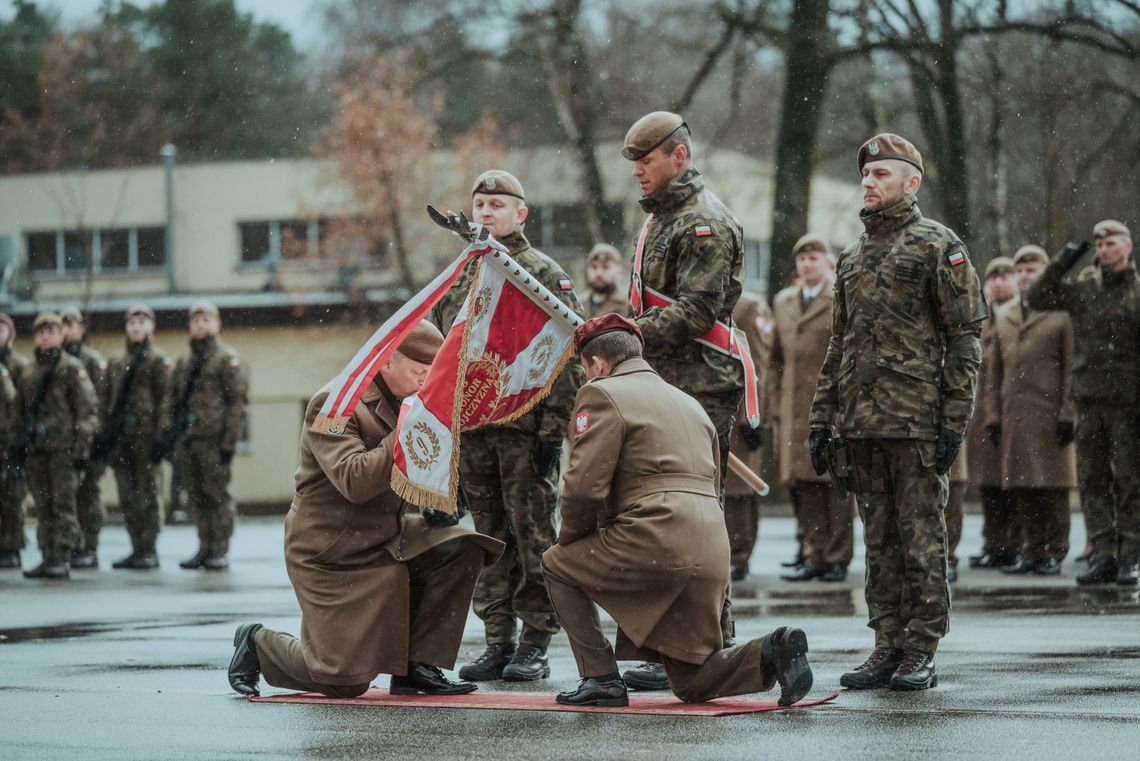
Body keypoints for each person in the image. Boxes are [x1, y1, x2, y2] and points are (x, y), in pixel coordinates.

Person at [542, 313, 813, 706]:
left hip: (655, 538)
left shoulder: (601, 393)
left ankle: (600, 678)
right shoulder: (690, 402)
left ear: (597, 363)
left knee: (556, 564)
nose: (588, 377)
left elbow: (583, 488)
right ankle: (771, 650)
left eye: (586, 369)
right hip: (712, 545)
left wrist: (573, 543)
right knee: (691, 683)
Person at [227, 321, 504, 698]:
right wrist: (410, 427)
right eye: (419, 371)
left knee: (464, 544)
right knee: (341, 682)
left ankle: (417, 667)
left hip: (387, 536)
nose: (427, 380)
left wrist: (435, 499)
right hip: (332, 552)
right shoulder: (335, 403)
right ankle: (259, 643)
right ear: (387, 360)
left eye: (432, 371)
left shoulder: (409, 398)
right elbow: (354, 481)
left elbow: (423, 464)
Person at [810, 133, 985, 691]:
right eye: (865, 175)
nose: (868, 182)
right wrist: (821, 418)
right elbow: (839, 345)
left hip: (916, 421)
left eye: (881, 175)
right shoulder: (853, 256)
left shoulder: (938, 245)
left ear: (911, 183)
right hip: (861, 424)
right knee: (879, 542)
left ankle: (921, 649)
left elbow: (965, 339)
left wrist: (954, 421)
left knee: (922, 539)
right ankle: (886, 644)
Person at [430, 170, 584, 683]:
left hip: (525, 432)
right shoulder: (462, 271)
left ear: (521, 214)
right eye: (479, 205)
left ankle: (536, 642)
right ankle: (498, 639)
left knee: (534, 537)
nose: (486, 212)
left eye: (498, 204)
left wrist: (552, 430)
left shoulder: (539, 271)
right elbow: (443, 355)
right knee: (488, 538)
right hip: (475, 432)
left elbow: (568, 354)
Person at [621, 111, 747, 689]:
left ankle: (711, 644)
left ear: (679, 156)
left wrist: (626, 334)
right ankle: (662, 646)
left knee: (698, 521)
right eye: (636, 164)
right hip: (662, 382)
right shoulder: (659, 223)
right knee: (655, 517)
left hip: (700, 387)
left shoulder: (704, 224)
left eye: (647, 162)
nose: (639, 173)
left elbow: (696, 311)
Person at [1027, 220, 1139, 586]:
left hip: (1128, 402)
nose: (1103, 248)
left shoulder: (1136, 292)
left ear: (1128, 246)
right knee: (1093, 480)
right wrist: (1063, 261)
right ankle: (1104, 554)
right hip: (1089, 400)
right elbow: (1038, 297)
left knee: (1129, 480)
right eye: (1098, 244)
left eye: (1110, 242)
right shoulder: (1086, 290)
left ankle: (1130, 556)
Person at [983, 246, 1076, 576]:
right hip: (1014, 416)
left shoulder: (1061, 315)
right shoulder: (1005, 317)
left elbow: (1070, 369)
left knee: (1052, 488)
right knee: (1021, 487)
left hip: (1049, 415)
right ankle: (1031, 549)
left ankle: (1053, 550)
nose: (1025, 275)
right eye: (1020, 270)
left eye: (1032, 269)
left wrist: (1068, 413)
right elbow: (994, 373)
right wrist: (993, 416)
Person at [768, 234, 854, 583]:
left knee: (834, 485)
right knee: (803, 487)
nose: (806, 263)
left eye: (814, 257)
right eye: (801, 258)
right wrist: (774, 403)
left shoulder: (840, 298)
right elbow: (775, 359)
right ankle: (813, 553)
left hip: (830, 406)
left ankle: (837, 556)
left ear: (828, 262)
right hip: (793, 410)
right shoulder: (783, 301)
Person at [163, 301, 249, 571]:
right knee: (195, 496)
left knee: (217, 495)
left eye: (206, 319)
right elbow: (172, 400)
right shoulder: (184, 361)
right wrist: (170, 434)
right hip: (189, 440)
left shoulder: (226, 358)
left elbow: (237, 404)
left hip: (214, 440)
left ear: (217, 323)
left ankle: (219, 549)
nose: (201, 324)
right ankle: (204, 546)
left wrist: (229, 443)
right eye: (196, 320)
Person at [16, 312, 100, 580]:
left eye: (51, 331)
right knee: (43, 506)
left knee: (63, 505)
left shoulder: (71, 368)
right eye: (41, 331)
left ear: (61, 335)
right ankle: (47, 555)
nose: (45, 335)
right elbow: (19, 413)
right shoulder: (29, 372)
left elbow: (87, 412)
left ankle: (62, 556)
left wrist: (81, 451)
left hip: (64, 452)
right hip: (37, 452)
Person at [101, 304, 172, 570]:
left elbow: (166, 401)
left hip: (146, 438)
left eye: (142, 323)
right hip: (121, 439)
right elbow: (106, 399)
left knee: (148, 494)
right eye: (132, 323)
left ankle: (149, 548)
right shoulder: (116, 361)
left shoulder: (158, 360)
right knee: (127, 495)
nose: (136, 327)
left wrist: (160, 436)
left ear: (151, 327)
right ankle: (135, 547)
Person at [966, 258, 1019, 570]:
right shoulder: (981, 318)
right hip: (983, 412)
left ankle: (1014, 543)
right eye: (993, 277)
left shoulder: (1021, 315)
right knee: (988, 484)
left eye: (1005, 277)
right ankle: (994, 543)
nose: (998, 283)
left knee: (1012, 482)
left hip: (1012, 410)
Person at [725, 290, 771, 581]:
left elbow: (759, 364)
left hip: (740, 409)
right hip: (707, 406)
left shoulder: (747, 306)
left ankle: (739, 556)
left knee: (739, 490)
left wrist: (752, 416)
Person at [59, 307, 109, 569]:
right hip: (62, 443)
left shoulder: (91, 361)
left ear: (81, 329)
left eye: (72, 325)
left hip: (88, 441)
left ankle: (89, 546)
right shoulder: (54, 361)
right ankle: (71, 545)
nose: (67, 330)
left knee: (88, 495)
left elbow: (100, 402)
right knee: (66, 497)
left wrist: (97, 439)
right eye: (63, 325)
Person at [0, 312, 32, 569]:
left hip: (11, 440)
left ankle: (12, 547)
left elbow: (22, 404)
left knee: (13, 496)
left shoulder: (20, 366)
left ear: (11, 336)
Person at [578, 243, 629, 318]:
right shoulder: (577, 304)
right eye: (594, 267)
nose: (598, 273)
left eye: (605, 267)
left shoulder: (628, 305)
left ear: (620, 272)